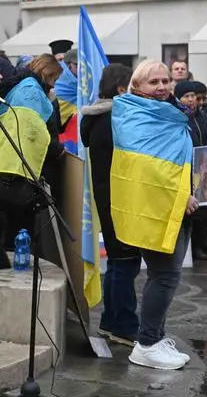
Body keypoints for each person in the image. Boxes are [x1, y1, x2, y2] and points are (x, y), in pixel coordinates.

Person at [111, 60, 194, 370]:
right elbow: (147, 169)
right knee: (165, 275)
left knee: (168, 276)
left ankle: (155, 337)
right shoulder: (133, 115)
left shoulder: (169, 111)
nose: (161, 87)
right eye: (153, 82)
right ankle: (146, 343)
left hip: (180, 201)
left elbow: (177, 154)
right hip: (159, 204)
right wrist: (179, 195)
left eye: (164, 81)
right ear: (137, 87)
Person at [79, 63, 139, 347]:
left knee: (117, 262)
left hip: (110, 199)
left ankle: (110, 321)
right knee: (126, 262)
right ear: (121, 89)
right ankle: (125, 326)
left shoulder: (99, 117)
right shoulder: (114, 120)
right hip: (119, 200)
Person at [0, 54, 64, 250]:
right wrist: (59, 150)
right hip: (19, 172)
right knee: (19, 233)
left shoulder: (20, 88)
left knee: (6, 233)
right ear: (47, 74)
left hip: (3, 166)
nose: (54, 85)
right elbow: (38, 134)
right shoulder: (32, 92)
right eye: (54, 79)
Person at [175, 80, 207, 261]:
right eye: (187, 96)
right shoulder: (178, 117)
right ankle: (193, 248)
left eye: (193, 96)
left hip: (205, 163)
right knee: (193, 210)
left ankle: (202, 241)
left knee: (206, 206)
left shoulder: (201, 115)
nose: (192, 100)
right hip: (187, 167)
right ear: (179, 99)